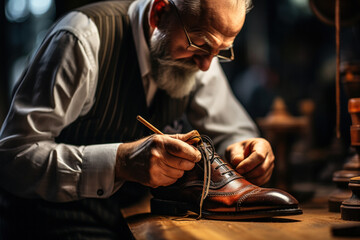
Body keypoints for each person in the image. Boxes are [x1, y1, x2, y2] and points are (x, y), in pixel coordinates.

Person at [0, 0, 279, 238]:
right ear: (158, 12)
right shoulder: (81, 40)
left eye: (221, 51)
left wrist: (244, 147)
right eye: (200, 44)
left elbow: (231, 130)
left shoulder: (200, 53)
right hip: (52, 225)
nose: (207, 65)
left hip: (132, 222)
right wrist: (121, 162)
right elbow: (12, 158)